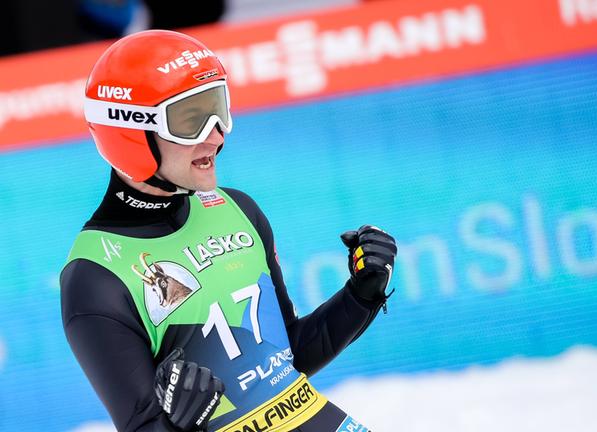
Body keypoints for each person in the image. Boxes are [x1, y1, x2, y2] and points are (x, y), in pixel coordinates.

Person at [60, 29, 397, 432]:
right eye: (190, 120)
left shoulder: (238, 209)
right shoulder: (96, 277)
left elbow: (288, 357)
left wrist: (360, 296)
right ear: (131, 132)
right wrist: (181, 424)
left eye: (217, 109)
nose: (216, 135)